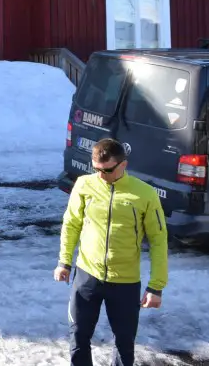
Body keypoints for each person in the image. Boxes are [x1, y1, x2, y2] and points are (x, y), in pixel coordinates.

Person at [55, 138, 168, 366]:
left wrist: (156, 286)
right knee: (78, 339)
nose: (100, 175)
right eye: (96, 169)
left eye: (106, 170)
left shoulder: (144, 194)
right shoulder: (84, 185)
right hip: (87, 276)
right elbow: (71, 224)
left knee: (124, 346)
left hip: (125, 283)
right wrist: (64, 262)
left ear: (123, 165)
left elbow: (158, 240)